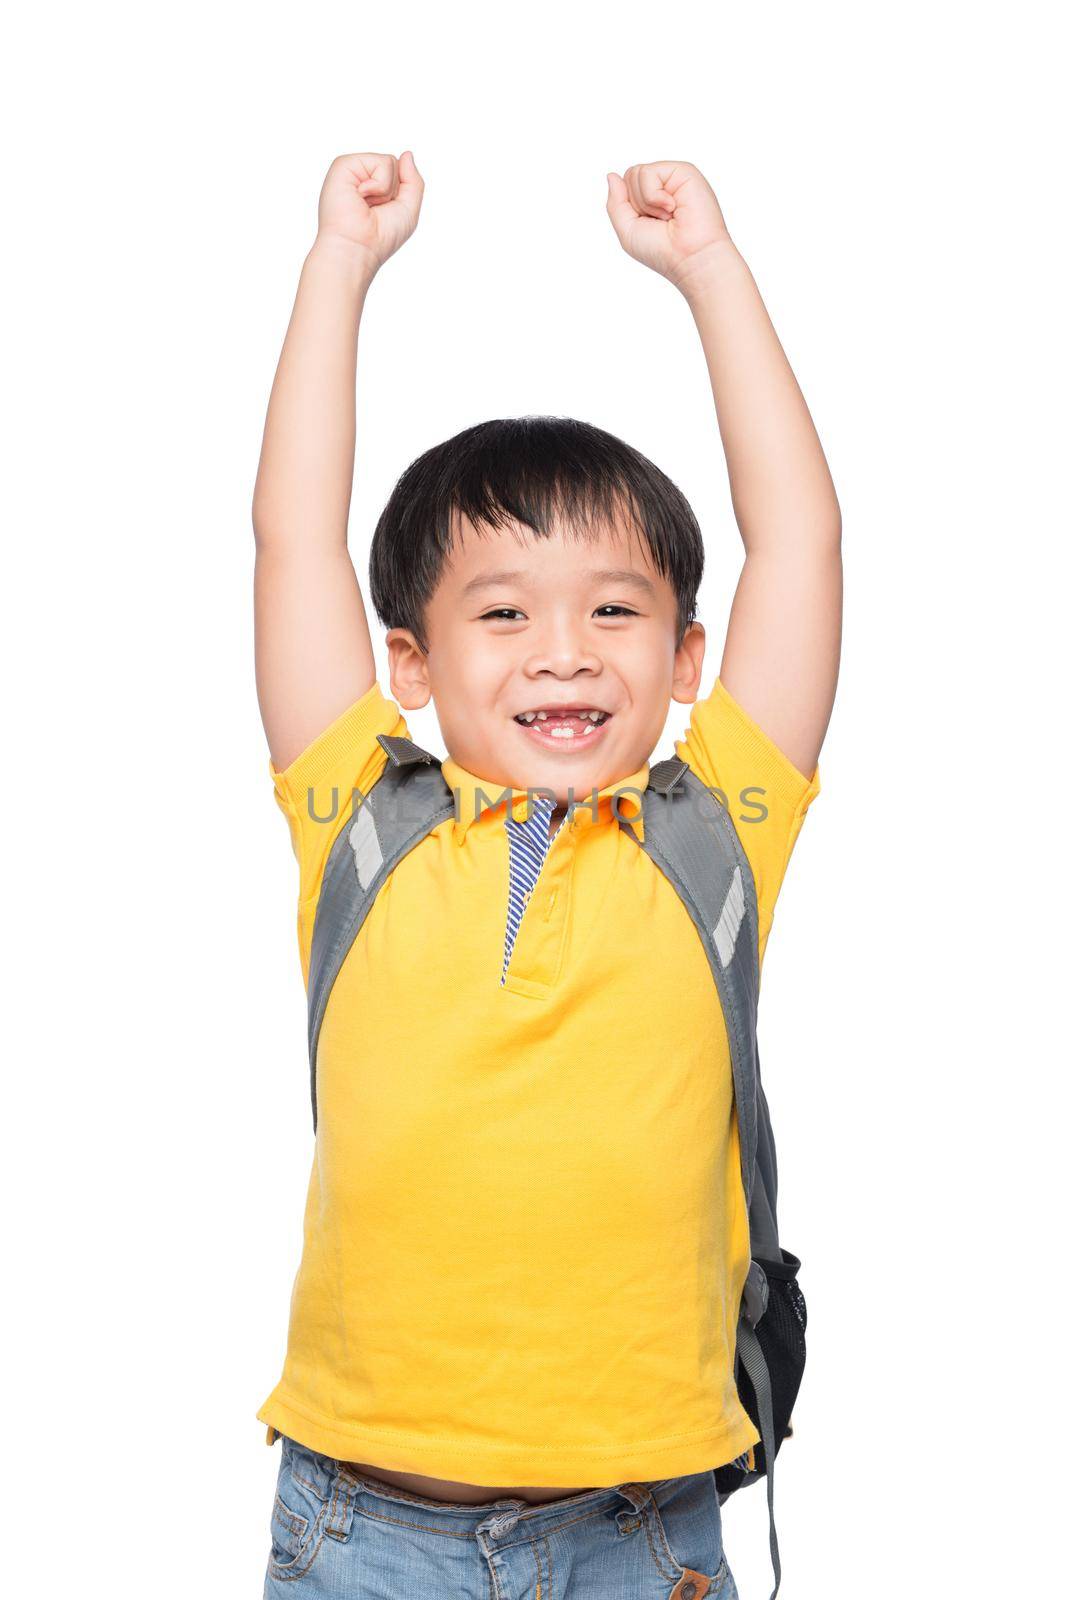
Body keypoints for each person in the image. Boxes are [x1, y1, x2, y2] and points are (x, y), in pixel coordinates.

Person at [252, 150, 841, 1599]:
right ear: (411, 664)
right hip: (362, 1529)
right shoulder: (361, 826)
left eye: (617, 610)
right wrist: (339, 266)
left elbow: (803, 543)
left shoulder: (716, 835)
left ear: (688, 660)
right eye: (502, 612)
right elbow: (291, 544)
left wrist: (711, 270)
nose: (565, 650)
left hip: (643, 1532)